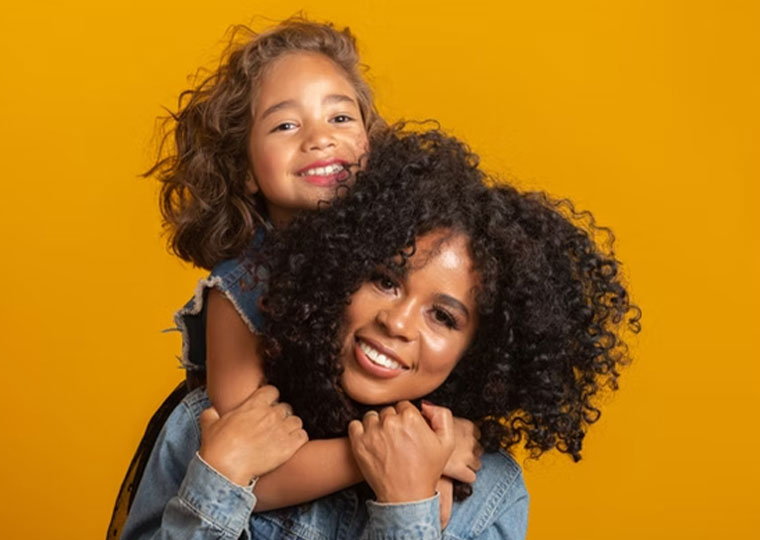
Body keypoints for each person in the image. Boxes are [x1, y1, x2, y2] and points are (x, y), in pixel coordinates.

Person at [121, 128, 641, 539]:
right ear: (339, 270)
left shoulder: (489, 493)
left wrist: (406, 506)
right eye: (386, 281)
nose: (397, 322)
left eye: (444, 317)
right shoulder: (212, 427)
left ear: (480, 353)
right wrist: (222, 477)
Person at [113, 16, 481, 527]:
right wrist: (389, 454)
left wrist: (441, 438)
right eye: (286, 125)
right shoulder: (241, 286)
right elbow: (247, 474)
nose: (319, 139)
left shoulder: (398, 260)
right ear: (245, 170)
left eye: (341, 118)